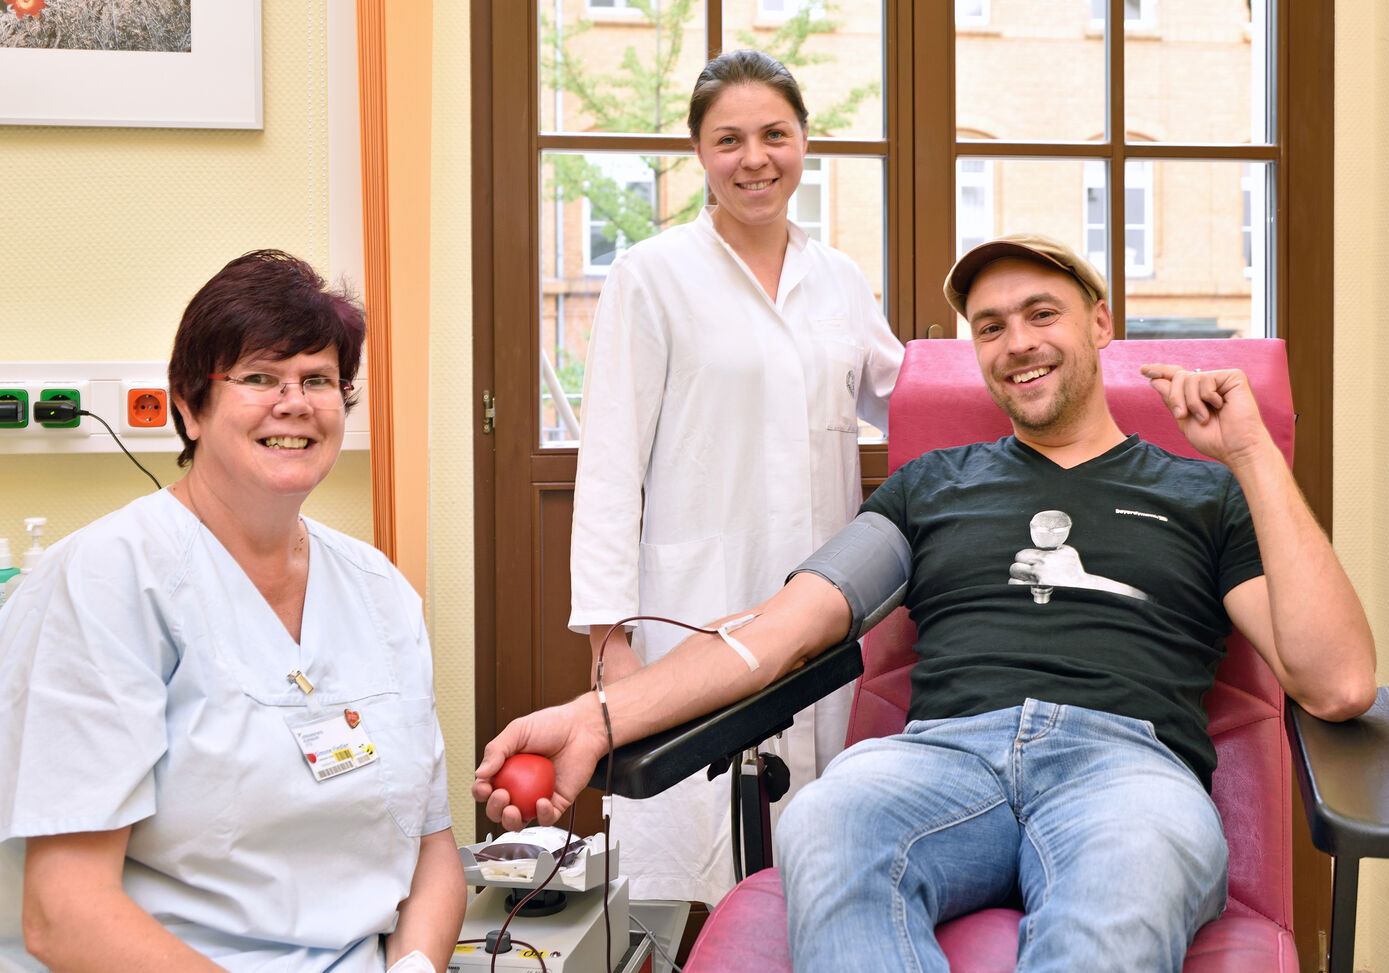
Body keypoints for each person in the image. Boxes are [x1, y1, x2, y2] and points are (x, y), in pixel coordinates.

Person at [477, 234, 1378, 971]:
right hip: (943, 758)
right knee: (829, 821)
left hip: (1126, 766)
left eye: (1039, 314)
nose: (1015, 342)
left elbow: (1335, 681)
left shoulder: (1202, 493)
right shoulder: (930, 486)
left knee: (1123, 890)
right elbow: (782, 629)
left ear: (1101, 323)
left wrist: (1252, 454)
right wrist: (596, 713)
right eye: (988, 327)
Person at [0, 251, 466, 972]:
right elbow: (63, 913)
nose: (295, 402)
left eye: (318, 379)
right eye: (258, 378)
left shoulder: (378, 590)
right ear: (190, 403)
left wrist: (413, 967)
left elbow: (432, 848)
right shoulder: (110, 579)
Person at [567, 49, 902, 904]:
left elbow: (908, 400)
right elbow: (608, 463)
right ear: (699, 153)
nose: (754, 158)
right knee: (691, 846)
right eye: (729, 140)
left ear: (801, 143)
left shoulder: (839, 278)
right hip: (694, 596)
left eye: (773, 135)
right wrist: (609, 638)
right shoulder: (652, 275)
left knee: (812, 839)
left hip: (816, 602)